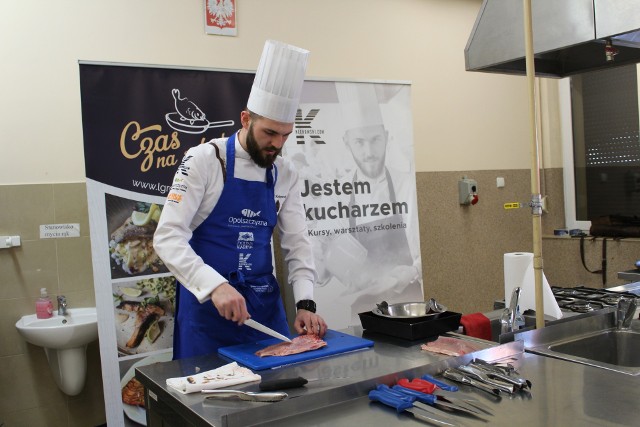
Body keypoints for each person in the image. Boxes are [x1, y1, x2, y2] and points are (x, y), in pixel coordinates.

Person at [154, 40, 327, 360]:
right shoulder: (205, 160)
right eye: (269, 133)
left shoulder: (285, 172)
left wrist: (305, 302)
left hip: (263, 312)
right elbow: (167, 237)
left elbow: (297, 241)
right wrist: (214, 286)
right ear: (246, 119)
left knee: (276, 400)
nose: (277, 144)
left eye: (285, 135)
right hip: (208, 312)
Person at [321, 83, 423, 322]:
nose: (369, 151)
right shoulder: (336, 194)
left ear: (386, 138)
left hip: (409, 303)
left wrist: (410, 272)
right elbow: (321, 267)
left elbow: (426, 252)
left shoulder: (407, 185)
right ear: (347, 142)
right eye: (359, 142)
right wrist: (335, 263)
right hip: (362, 311)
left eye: (375, 139)